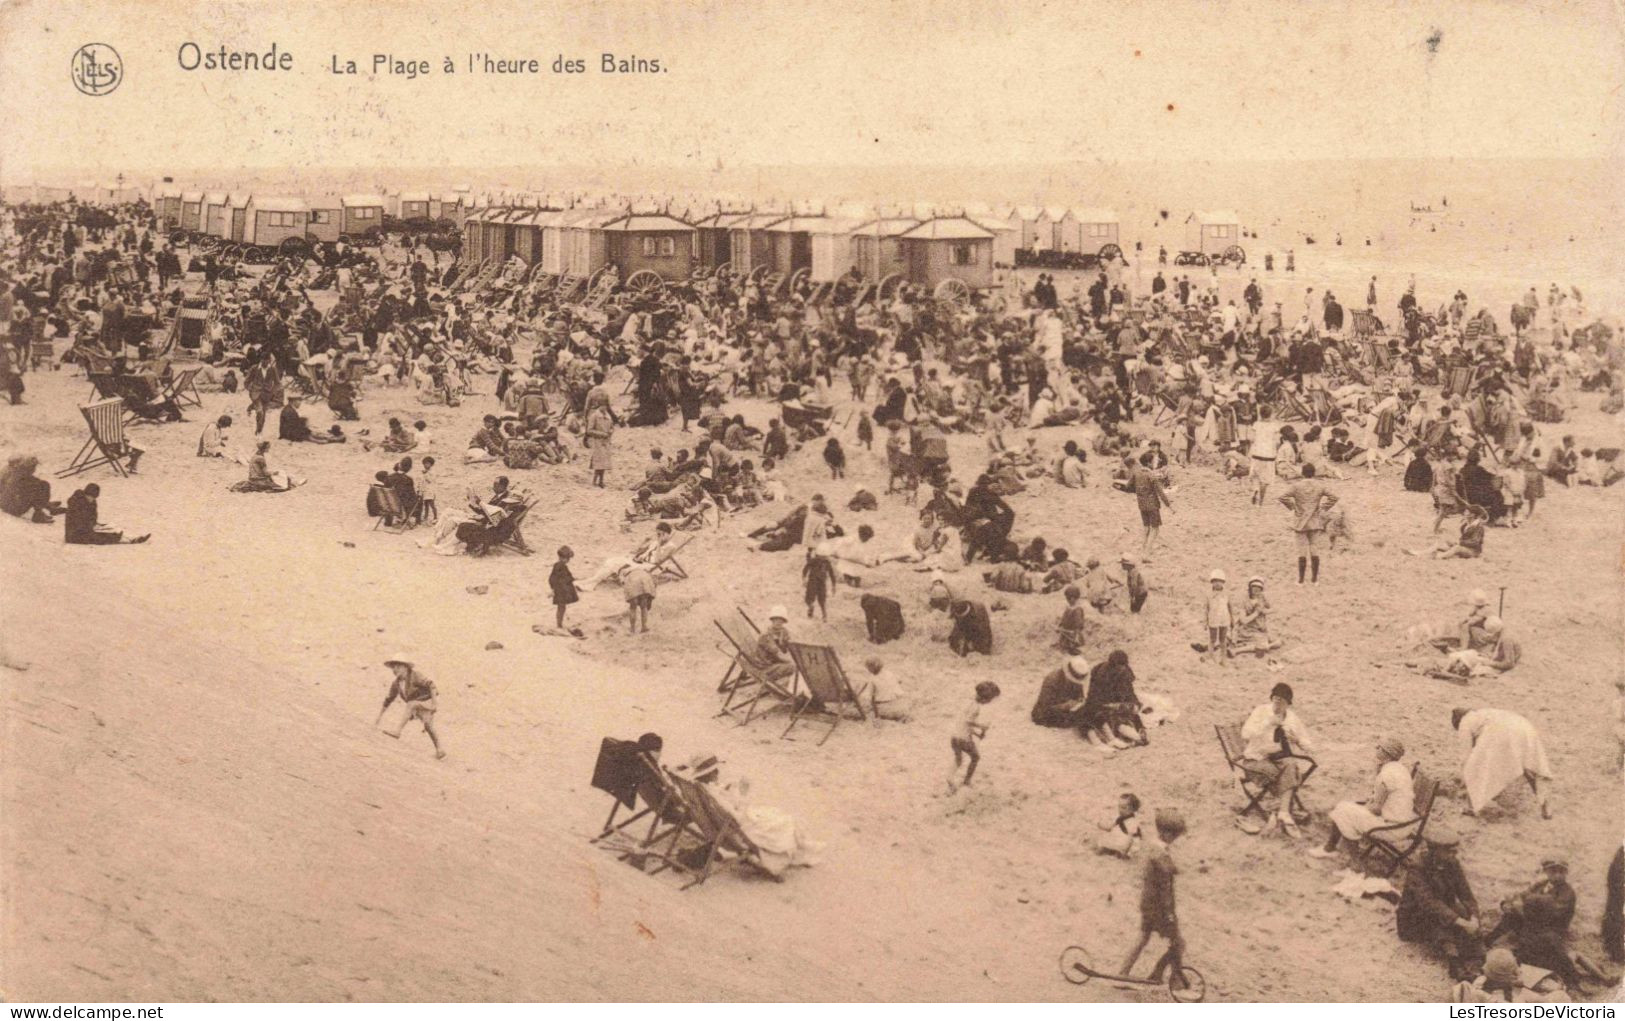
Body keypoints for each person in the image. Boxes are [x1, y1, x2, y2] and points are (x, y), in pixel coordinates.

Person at [1397, 826, 1484, 980]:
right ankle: (1455, 962)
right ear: (1435, 851)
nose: (1454, 854)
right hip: (1415, 918)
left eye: (1454, 850)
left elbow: (1466, 895)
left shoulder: (1452, 864)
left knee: (1463, 912)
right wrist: (1462, 923)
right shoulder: (1417, 867)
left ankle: (1479, 958)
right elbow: (1429, 903)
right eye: (1449, 851)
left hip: (1443, 911)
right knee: (1441, 919)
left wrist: (1474, 918)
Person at [1118, 809, 1190, 991]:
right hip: (1158, 908)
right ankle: (1164, 975)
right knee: (1178, 943)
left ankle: (1123, 973)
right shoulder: (1160, 854)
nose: (1175, 839)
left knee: (1143, 938)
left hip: (1149, 904)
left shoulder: (1154, 848)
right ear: (1166, 833)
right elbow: (1165, 889)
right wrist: (1170, 915)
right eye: (1174, 835)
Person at [1311, 736, 1414, 858]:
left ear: (1386, 754)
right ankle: (1331, 849)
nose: (1376, 748)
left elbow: (1376, 808)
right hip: (1402, 822)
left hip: (1392, 828)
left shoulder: (1387, 775)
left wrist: (1364, 807)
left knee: (1343, 811)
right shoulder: (1399, 768)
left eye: (1379, 747)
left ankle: (1351, 861)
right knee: (1345, 808)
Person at [1239, 682, 1316, 838]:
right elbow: (1245, 734)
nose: (1277, 704)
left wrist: (1297, 740)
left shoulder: (1292, 718)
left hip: (1278, 758)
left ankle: (1282, 812)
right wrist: (1268, 723)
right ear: (1271, 699)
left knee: (1291, 764)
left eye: (1282, 701)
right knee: (1284, 773)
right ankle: (1285, 811)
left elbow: (1310, 747)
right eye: (1275, 699)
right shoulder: (1261, 712)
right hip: (1256, 759)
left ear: (1288, 704)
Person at [1453, 707, 1554, 819]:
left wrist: (1464, 778)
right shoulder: (1483, 713)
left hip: (1502, 731)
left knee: (1475, 766)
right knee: (1530, 769)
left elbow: (1466, 757)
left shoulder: (1464, 723)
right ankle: (1546, 808)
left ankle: (1471, 807)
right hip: (1524, 726)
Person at [374, 653, 445, 759]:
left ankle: (397, 731)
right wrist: (379, 717)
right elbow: (389, 699)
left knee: (412, 704)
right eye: (393, 667)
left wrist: (434, 704)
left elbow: (431, 685)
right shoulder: (396, 684)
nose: (395, 669)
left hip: (428, 701)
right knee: (428, 725)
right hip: (417, 706)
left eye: (398, 666)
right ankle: (440, 750)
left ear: (405, 667)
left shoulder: (415, 675)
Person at [1279, 463, 1337, 585]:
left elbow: (1282, 497)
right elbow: (1334, 497)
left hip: (1300, 522)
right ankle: (1314, 580)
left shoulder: (1296, 486)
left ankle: (1300, 580)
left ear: (1302, 473)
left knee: (1302, 551)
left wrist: (1292, 507)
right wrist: (1323, 508)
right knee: (1314, 549)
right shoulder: (1320, 485)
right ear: (1314, 473)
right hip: (1315, 521)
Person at [1078, 649, 1146, 750]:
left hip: (1118, 701)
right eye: (1119, 667)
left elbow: (1129, 691)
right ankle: (1113, 737)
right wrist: (1113, 705)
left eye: (1124, 667)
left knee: (1132, 710)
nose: (1122, 669)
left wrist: (1135, 703)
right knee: (1095, 714)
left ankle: (1137, 732)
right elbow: (1095, 699)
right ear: (1113, 666)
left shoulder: (1124, 671)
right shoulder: (1101, 675)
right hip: (1103, 702)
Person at [946, 680, 999, 794]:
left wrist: (977, 733)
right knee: (975, 758)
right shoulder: (976, 707)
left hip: (955, 736)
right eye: (990, 700)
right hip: (964, 739)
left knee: (958, 759)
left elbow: (963, 724)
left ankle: (950, 777)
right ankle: (967, 781)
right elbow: (968, 721)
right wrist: (982, 726)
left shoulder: (968, 704)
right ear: (985, 699)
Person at [63, 483, 149, 545]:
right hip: (75, 534)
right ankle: (131, 540)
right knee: (102, 537)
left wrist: (96, 525)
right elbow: (77, 522)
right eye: (90, 497)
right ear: (86, 494)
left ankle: (132, 538)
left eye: (94, 498)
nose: (92, 499)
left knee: (110, 529)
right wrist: (92, 526)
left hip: (87, 529)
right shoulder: (76, 503)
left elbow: (93, 517)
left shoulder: (92, 502)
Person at [1031, 655, 1089, 728]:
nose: (1075, 682)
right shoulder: (1052, 680)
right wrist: (1066, 706)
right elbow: (1045, 708)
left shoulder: (1077, 675)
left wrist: (1080, 700)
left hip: (1067, 709)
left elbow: (1079, 695)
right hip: (1047, 713)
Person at [1131, 460, 1171, 561]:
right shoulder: (1151, 475)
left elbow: (1128, 487)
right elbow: (1160, 493)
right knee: (1155, 530)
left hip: (1142, 505)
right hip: (1153, 506)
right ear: (1149, 465)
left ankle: (1142, 550)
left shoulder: (1136, 474)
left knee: (1146, 528)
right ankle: (1146, 554)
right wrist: (1169, 506)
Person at [0, 455, 61, 522]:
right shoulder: (17, 476)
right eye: (33, 466)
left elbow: (34, 480)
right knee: (40, 486)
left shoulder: (16, 471)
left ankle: (46, 505)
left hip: (5, 504)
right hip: (12, 507)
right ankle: (38, 514)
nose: (34, 469)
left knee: (40, 484)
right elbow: (13, 491)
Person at [862, 656, 909, 721]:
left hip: (881, 703)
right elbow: (900, 680)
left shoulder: (873, 679)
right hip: (894, 701)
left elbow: (868, 695)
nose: (868, 670)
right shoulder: (889, 673)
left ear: (873, 667)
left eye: (868, 668)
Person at [584, 391, 615, 488]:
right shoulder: (594, 416)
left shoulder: (608, 416)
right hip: (597, 441)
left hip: (606, 442)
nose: (604, 408)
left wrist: (610, 431)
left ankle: (601, 481)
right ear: (599, 406)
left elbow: (611, 426)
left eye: (606, 406)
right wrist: (602, 434)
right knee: (598, 463)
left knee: (604, 463)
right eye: (603, 406)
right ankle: (594, 481)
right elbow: (589, 430)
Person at [1097, 793, 1142, 857]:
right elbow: (1111, 827)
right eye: (1119, 806)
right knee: (1103, 837)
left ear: (1132, 809)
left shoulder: (1132, 822)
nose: (1120, 810)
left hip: (1127, 844)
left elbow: (1135, 839)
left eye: (1123, 807)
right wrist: (1102, 826)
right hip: (1118, 840)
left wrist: (1129, 852)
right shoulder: (1121, 818)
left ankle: (1118, 852)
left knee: (1125, 842)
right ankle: (1109, 849)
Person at [1203, 569, 1233, 664]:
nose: (1217, 583)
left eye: (1219, 581)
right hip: (1213, 619)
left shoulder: (1226, 594)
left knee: (1222, 640)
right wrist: (1205, 621)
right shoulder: (1208, 595)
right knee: (1212, 639)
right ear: (1212, 582)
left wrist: (1232, 619)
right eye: (1215, 581)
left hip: (1224, 619)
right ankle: (1211, 657)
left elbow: (1230, 607)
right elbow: (1206, 609)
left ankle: (1223, 658)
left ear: (1223, 582)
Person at [549, 545, 578, 632]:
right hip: (561, 590)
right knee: (561, 607)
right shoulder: (560, 566)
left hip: (561, 590)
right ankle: (559, 624)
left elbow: (552, 578)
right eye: (567, 558)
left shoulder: (558, 565)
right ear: (563, 558)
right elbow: (557, 579)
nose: (568, 560)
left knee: (561, 607)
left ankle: (559, 624)